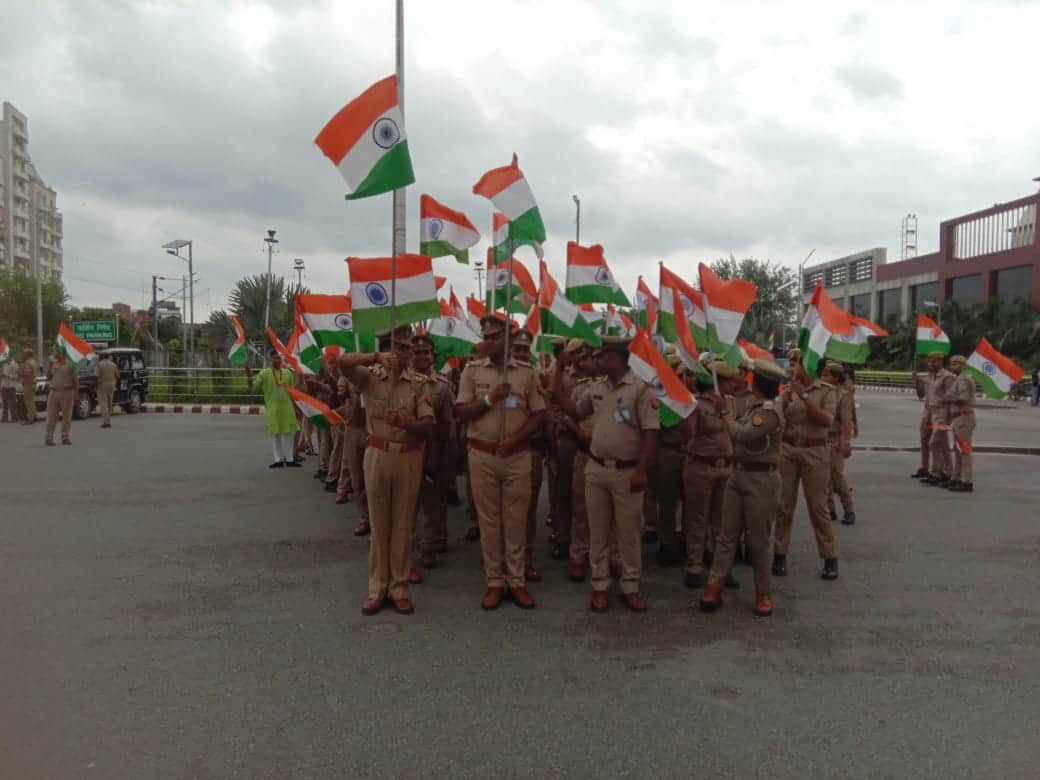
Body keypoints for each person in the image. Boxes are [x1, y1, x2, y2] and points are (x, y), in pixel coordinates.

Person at [554, 336, 659, 613]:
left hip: (627, 472)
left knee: (628, 534)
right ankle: (599, 586)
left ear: (616, 358)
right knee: (597, 531)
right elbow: (575, 411)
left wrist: (641, 470)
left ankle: (631, 586)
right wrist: (556, 373)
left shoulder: (641, 390)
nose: (596, 361)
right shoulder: (596, 388)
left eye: (601, 357)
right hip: (596, 468)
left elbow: (651, 433)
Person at [455, 315, 547, 611]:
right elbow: (461, 412)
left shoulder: (526, 373)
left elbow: (539, 414)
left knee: (516, 518)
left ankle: (516, 580)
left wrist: (517, 438)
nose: (489, 341)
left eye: (495, 336)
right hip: (482, 454)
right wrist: (489, 399)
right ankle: (495, 581)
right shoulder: (471, 371)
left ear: (508, 339)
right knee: (489, 521)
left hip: (516, 455)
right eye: (486, 336)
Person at [339, 333, 434, 616]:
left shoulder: (418, 384)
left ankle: (400, 587)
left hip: (407, 455)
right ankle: (377, 588)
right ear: (386, 351)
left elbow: (428, 423)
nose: (402, 354)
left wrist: (407, 422)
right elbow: (342, 363)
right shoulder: (370, 378)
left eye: (406, 349)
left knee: (403, 524)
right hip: (377, 454)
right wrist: (374, 358)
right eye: (397, 348)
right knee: (379, 525)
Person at [701, 357, 787, 617]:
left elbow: (742, 435)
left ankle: (763, 593)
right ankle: (714, 586)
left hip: (761, 480)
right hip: (739, 475)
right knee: (727, 535)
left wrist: (724, 413)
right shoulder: (755, 407)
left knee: (757, 540)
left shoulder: (768, 413)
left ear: (758, 383)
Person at [772, 349, 840, 580]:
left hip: (815, 450)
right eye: (791, 363)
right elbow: (778, 420)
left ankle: (829, 557)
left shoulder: (827, 391)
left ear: (809, 366)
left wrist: (802, 396)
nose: (792, 367)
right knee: (783, 505)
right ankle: (779, 554)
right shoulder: (788, 389)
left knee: (817, 507)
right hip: (788, 450)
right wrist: (785, 401)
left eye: (796, 363)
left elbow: (826, 419)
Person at [681, 361, 739, 589]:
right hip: (701, 467)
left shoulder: (730, 404)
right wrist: (685, 411)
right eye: (728, 380)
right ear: (717, 381)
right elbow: (690, 434)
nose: (733, 383)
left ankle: (720, 567)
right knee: (697, 519)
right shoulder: (695, 404)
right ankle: (694, 565)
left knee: (722, 522)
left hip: (725, 467)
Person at [410, 333, 455, 571]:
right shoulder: (402, 381)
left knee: (432, 500)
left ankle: (429, 545)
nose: (421, 356)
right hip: (407, 447)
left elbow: (447, 421)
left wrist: (437, 453)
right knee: (408, 502)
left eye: (426, 352)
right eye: (416, 352)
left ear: (433, 356)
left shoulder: (443, 385)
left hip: (434, 447)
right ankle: (410, 549)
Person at [244, 349, 301, 468]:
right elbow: (253, 388)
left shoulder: (288, 373)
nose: (277, 360)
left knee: (289, 434)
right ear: (270, 360)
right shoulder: (264, 374)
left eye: (278, 358)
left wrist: (296, 407)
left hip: (287, 409)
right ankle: (278, 460)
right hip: (273, 409)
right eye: (274, 358)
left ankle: (290, 459)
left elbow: (292, 392)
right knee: (276, 435)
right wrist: (249, 378)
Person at [916, 352, 956, 486]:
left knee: (938, 443)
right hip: (928, 411)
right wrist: (916, 381)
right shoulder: (929, 377)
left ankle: (941, 471)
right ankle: (925, 468)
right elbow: (921, 395)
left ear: (941, 362)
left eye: (934, 361)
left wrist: (949, 418)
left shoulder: (947, 377)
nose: (931, 364)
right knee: (924, 439)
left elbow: (951, 398)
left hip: (941, 413)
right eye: (929, 361)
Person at [823, 361, 856, 524]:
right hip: (822, 439)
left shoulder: (842, 396)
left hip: (835, 439)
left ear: (836, 377)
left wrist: (845, 443)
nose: (824, 378)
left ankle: (849, 509)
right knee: (824, 478)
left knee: (837, 477)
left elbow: (846, 422)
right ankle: (830, 510)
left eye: (827, 375)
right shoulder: (824, 393)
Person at [945, 355, 976, 492]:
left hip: (964, 417)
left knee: (964, 451)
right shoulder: (958, 379)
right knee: (957, 451)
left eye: (956, 364)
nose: (952, 367)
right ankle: (956, 478)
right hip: (959, 418)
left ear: (962, 366)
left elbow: (963, 399)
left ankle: (966, 481)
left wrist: (950, 398)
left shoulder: (963, 379)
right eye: (951, 364)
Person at [44, 347, 77, 446]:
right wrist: (49, 366)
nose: (53, 353)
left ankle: (65, 437)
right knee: (51, 415)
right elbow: (48, 377)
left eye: (55, 351)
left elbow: (76, 380)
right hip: (54, 392)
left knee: (66, 416)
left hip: (67, 392)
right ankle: (49, 438)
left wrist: (76, 393)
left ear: (61, 352)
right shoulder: (53, 363)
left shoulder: (71, 364)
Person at [96, 352, 120, 428]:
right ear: (108, 357)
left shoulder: (99, 364)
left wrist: (96, 385)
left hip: (102, 385)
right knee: (109, 402)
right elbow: (118, 375)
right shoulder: (113, 364)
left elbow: (97, 376)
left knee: (103, 403)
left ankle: (106, 422)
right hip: (112, 385)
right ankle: (108, 419)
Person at [19, 348, 39, 424]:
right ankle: (34, 416)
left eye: (24, 353)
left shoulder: (28, 362)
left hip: (28, 382)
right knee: (31, 400)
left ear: (27, 354)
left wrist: (20, 372)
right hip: (32, 382)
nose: (22, 355)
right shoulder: (33, 361)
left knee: (28, 401)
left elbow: (27, 373)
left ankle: (30, 418)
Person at [1, 353, 20, 423]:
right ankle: (4, 418)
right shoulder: (4, 364)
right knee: (4, 403)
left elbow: (17, 376)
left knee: (13, 403)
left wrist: (8, 376)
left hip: (11, 385)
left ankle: (14, 418)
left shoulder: (15, 365)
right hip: (4, 385)